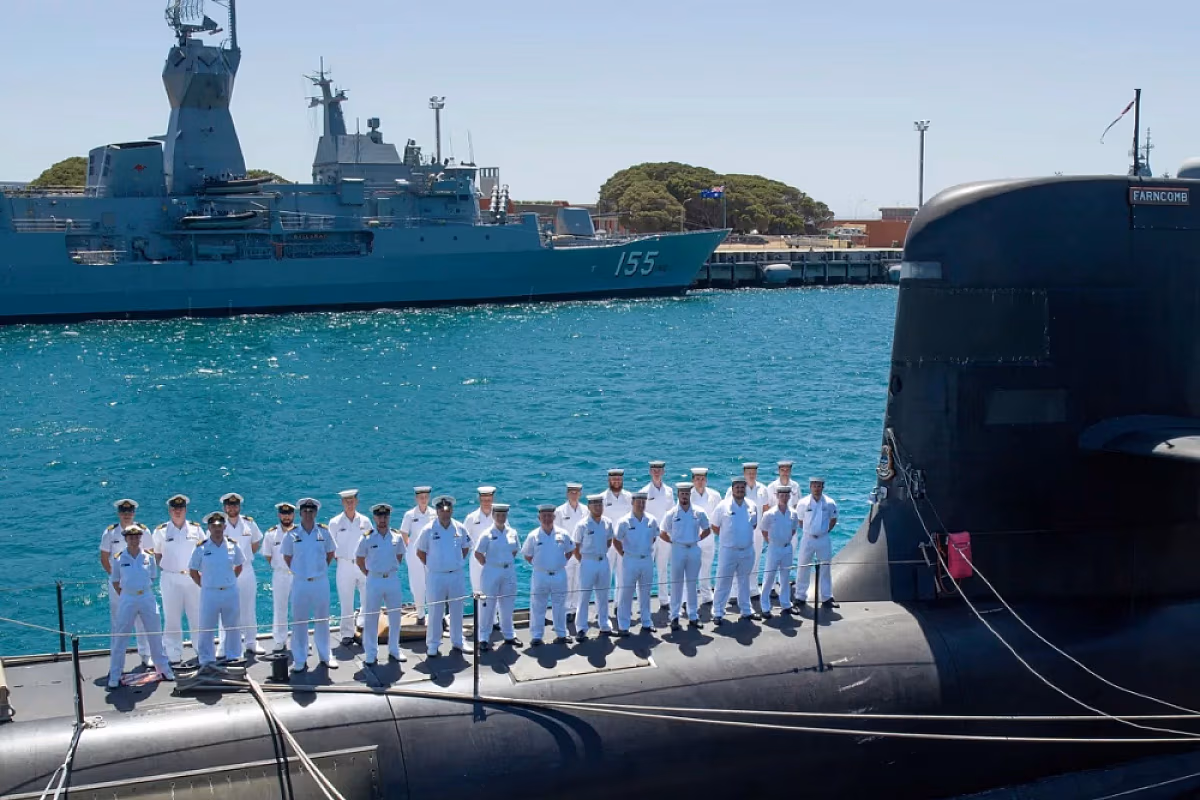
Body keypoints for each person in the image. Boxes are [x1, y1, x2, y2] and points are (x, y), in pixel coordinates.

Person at [107, 526, 173, 690]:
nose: (134, 540)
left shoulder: (148, 557)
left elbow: (152, 575)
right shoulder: (118, 558)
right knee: (121, 636)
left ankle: (163, 668)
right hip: (128, 597)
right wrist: (127, 594)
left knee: (154, 633)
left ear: (140, 538)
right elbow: (115, 581)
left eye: (137, 537)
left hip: (146, 596)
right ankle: (115, 674)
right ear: (126, 539)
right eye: (131, 537)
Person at [282, 498, 337, 673]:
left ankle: (325, 655)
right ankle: (299, 657)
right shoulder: (291, 534)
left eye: (311, 511)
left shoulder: (324, 532)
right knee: (299, 621)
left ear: (315, 513)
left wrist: (318, 570)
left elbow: (330, 553)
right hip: (300, 582)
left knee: (322, 619)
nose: (308, 514)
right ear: (300, 513)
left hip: (320, 581)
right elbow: (287, 557)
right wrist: (301, 571)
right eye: (305, 511)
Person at [414, 496, 470, 658]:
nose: (445, 513)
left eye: (447, 510)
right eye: (441, 510)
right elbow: (420, 552)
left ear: (451, 510)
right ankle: (433, 644)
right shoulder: (428, 530)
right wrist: (434, 565)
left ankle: (458, 640)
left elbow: (466, 547)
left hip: (456, 575)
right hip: (436, 576)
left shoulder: (460, 528)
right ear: (437, 511)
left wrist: (456, 562)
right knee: (435, 610)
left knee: (457, 610)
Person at [187, 511, 245, 667]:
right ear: (209, 528)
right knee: (206, 627)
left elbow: (239, 565)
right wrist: (205, 584)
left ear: (224, 527)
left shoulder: (233, 545)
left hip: (229, 591)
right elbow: (193, 571)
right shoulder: (201, 548)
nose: (217, 529)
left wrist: (229, 580)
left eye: (220, 526)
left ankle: (234, 656)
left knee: (232, 626)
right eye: (214, 526)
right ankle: (206, 659)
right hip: (209, 593)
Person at [101, 499, 154, 667]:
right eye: (123, 512)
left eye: (129, 511)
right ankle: (117, 660)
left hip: (139, 586)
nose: (126, 515)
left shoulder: (144, 531)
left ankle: (145, 654)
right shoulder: (110, 533)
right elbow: (104, 558)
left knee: (142, 620)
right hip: (118, 586)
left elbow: (150, 555)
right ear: (118, 513)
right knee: (118, 622)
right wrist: (117, 580)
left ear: (134, 513)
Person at [152, 494, 204, 664]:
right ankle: (173, 652)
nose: (177, 511)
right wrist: (169, 568)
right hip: (171, 579)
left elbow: (204, 552)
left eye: (180, 508)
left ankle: (201, 649)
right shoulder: (161, 531)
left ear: (185, 510)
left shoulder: (196, 529)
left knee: (196, 615)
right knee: (172, 617)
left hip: (192, 578)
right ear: (169, 510)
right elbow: (156, 554)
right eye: (174, 508)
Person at [356, 503, 407, 665]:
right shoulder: (367, 537)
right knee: (371, 617)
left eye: (385, 516)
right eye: (379, 516)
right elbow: (359, 559)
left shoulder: (397, 537)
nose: (382, 519)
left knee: (395, 616)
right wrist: (370, 574)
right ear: (374, 518)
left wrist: (389, 570)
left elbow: (399, 556)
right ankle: (371, 652)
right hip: (374, 579)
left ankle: (394, 649)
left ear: (388, 517)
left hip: (392, 578)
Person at [711, 477, 762, 625]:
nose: (740, 490)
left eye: (742, 487)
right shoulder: (723, 506)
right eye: (737, 487)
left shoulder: (752, 506)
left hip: (747, 550)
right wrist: (729, 539)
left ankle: (746, 610)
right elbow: (715, 526)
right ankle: (718, 612)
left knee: (744, 581)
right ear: (732, 489)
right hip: (729, 551)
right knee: (723, 582)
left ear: (745, 489)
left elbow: (753, 525)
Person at [218, 493, 264, 657]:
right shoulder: (219, 524)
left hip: (245, 569)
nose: (232, 508)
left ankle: (251, 641)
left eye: (235, 505)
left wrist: (243, 559)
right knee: (225, 608)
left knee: (248, 607)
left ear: (239, 506)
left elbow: (256, 542)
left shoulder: (248, 523)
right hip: (226, 571)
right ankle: (223, 644)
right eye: (229, 506)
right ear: (224, 507)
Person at [660, 483, 711, 630]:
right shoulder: (671, 513)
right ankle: (674, 616)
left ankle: (693, 616)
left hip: (693, 549)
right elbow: (663, 532)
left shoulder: (698, 512)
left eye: (686, 493)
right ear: (678, 495)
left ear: (690, 494)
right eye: (682, 493)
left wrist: (697, 539)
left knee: (692, 584)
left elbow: (707, 529)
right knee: (676, 584)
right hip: (678, 550)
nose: (684, 496)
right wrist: (673, 542)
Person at [522, 504, 574, 646]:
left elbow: (570, 550)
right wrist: (540, 565)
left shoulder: (563, 534)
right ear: (539, 518)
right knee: (538, 606)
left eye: (549, 515)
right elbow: (527, 555)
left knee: (560, 605)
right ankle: (537, 636)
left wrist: (561, 561)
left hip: (559, 574)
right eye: (544, 516)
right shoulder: (533, 536)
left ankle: (562, 634)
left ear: (554, 517)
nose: (547, 518)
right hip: (540, 575)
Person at [473, 503, 521, 650]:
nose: (501, 518)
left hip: (508, 571)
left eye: (503, 515)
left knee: (507, 605)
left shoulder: (512, 533)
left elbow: (515, 550)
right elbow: (478, 553)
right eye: (498, 515)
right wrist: (489, 565)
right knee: (487, 605)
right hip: (491, 571)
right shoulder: (486, 534)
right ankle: (484, 637)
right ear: (493, 516)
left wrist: (505, 563)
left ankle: (509, 634)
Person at [329, 488, 373, 645]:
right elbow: (330, 546)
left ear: (357, 501)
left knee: (367, 597)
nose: (349, 504)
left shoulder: (365, 521)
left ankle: (363, 626)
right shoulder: (334, 523)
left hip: (363, 564)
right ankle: (347, 633)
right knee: (346, 600)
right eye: (346, 501)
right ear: (342, 503)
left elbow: (371, 544)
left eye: (352, 501)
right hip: (344, 564)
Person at [614, 491, 658, 635]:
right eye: (638, 502)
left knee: (645, 593)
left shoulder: (651, 520)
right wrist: (624, 554)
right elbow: (616, 540)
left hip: (646, 559)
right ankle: (624, 625)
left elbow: (653, 537)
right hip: (630, 560)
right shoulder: (624, 521)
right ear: (632, 503)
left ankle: (646, 621)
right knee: (626, 593)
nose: (641, 505)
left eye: (643, 502)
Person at [572, 494, 615, 640]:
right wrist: (583, 561)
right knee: (584, 596)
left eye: (600, 505)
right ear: (589, 507)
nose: (598, 507)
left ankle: (604, 625)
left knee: (603, 595)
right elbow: (575, 547)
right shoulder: (582, 525)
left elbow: (609, 541)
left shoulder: (607, 523)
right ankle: (581, 628)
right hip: (588, 562)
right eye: (595, 505)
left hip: (603, 561)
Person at [726, 463, 770, 599]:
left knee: (755, 559)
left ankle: (753, 589)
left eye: (753, 472)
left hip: (757, 531)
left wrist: (765, 529)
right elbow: (727, 510)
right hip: (740, 531)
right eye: (749, 472)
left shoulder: (763, 488)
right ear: (744, 473)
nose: (751, 475)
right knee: (737, 560)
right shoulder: (733, 489)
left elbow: (766, 508)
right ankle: (734, 592)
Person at [795, 477, 839, 608]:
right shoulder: (803, 503)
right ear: (810, 487)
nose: (816, 488)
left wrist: (824, 531)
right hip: (807, 538)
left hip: (823, 538)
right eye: (814, 485)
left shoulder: (830, 503)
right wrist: (809, 532)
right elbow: (800, 520)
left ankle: (826, 597)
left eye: (819, 486)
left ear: (822, 487)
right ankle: (800, 596)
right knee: (803, 566)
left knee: (825, 567)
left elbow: (833, 519)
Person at [261, 502, 297, 652]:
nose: (286, 516)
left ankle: (298, 640)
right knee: (280, 608)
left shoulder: (300, 532)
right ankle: (280, 640)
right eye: (283, 513)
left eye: (289, 513)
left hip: (297, 575)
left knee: (298, 608)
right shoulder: (271, 534)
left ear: (293, 515)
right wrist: (279, 566)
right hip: (280, 574)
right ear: (279, 515)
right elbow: (268, 556)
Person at [759, 485, 799, 617]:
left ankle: (786, 604)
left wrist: (785, 540)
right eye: (781, 495)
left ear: (789, 496)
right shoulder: (769, 514)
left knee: (785, 577)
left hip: (787, 547)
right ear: (777, 496)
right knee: (769, 577)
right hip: (774, 547)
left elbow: (793, 530)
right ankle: (765, 607)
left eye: (786, 495)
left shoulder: (793, 513)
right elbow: (764, 530)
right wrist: (771, 542)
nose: (784, 497)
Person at [400, 486, 436, 625]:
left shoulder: (434, 513)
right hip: (415, 554)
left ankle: (434, 614)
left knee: (432, 583)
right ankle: (421, 614)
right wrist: (410, 545)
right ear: (416, 498)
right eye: (421, 497)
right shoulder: (410, 514)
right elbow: (404, 532)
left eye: (426, 497)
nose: (423, 499)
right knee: (417, 585)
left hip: (431, 553)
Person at [641, 461, 674, 612]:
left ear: (663, 472)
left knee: (663, 568)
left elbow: (671, 513)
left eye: (659, 470)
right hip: (649, 536)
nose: (656, 472)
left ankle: (664, 599)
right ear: (649, 472)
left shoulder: (669, 491)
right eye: (654, 470)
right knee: (645, 570)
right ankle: (643, 601)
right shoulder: (644, 492)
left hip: (664, 535)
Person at [688, 468, 723, 605]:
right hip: (693, 538)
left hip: (709, 537)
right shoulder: (688, 495)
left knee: (706, 567)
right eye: (697, 479)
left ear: (706, 480)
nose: (700, 482)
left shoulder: (715, 495)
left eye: (702, 479)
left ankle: (707, 595)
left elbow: (719, 515)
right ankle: (688, 598)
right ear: (693, 480)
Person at [555, 482, 587, 622]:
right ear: (567, 494)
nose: (574, 495)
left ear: (580, 494)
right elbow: (557, 533)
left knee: (580, 581)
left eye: (576, 492)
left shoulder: (586, 510)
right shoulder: (560, 511)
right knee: (567, 581)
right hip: (567, 552)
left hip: (582, 551)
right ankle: (567, 609)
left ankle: (577, 609)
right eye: (571, 492)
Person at [603, 469, 633, 595]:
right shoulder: (602, 498)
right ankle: (602, 607)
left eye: (619, 479)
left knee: (623, 575)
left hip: (624, 541)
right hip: (607, 542)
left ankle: (618, 605)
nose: (616, 481)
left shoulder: (629, 497)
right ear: (609, 480)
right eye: (614, 479)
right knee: (605, 575)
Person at [463, 486, 497, 598]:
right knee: (478, 592)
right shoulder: (471, 518)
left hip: (494, 557)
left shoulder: (499, 517)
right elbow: (464, 539)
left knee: (494, 591)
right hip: (476, 557)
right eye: (484, 500)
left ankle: (494, 616)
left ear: (493, 499)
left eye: (489, 499)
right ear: (479, 499)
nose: (487, 502)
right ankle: (479, 616)